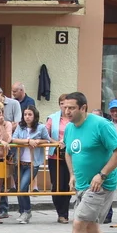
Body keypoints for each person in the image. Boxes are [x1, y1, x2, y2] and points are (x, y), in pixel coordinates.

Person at [43, 92, 117, 233]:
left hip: (100, 185)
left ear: (83, 108)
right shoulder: (70, 127)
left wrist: (102, 174)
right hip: (82, 185)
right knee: (91, 227)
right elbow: (68, 152)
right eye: (65, 107)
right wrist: (72, 174)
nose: (67, 111)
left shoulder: (101, 125)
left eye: (71, 108)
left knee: (79, 222)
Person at [10, 105, 49, 223]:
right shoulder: (20, 127)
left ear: (34, 115)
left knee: (23, 187)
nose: (27, 117)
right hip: (20, 162)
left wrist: (38, 141)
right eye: (25, 114)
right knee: (20, 188)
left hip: (33, 163)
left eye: (30, 114)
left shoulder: (41, 127)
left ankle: (27, 211)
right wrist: (28, 141)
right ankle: (22, 211)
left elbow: (47, 139)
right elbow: (13, 139)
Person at [46, 95, 73, 223]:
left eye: (67, 105)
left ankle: (64, 213)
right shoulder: (52, 118)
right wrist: (56, 142)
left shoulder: (73, 118)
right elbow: (45, 134)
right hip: (55, 156)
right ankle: (60, 212)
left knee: (67, 185)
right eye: (62, 104)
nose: (65, 107)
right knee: (57, 185)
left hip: (70, 156)